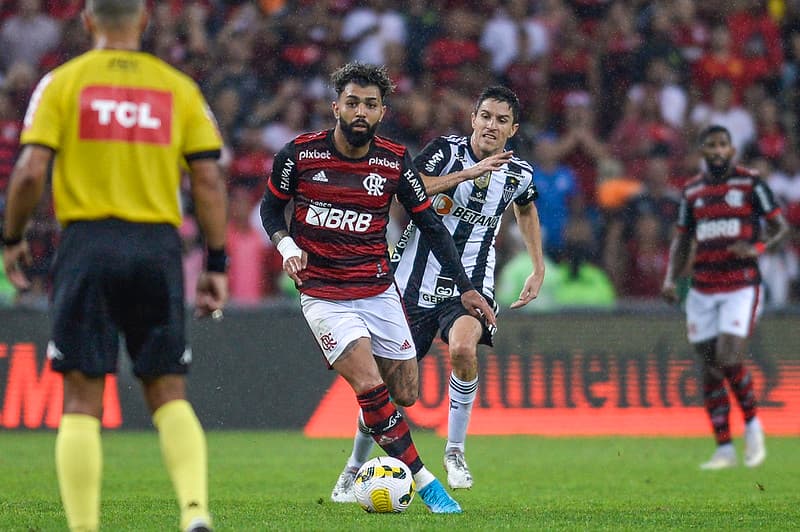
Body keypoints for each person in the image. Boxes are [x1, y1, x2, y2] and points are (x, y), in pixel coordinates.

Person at [1, 2, 228, 531]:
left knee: (82, 398)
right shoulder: (178, 88)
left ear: (87, 21)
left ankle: (84, 528)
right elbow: (209, 179)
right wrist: (216, 261)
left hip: (87, 244)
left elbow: (30, 171)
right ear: (144, 21)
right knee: (168, 391)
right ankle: (195, 512)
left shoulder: (62, 83)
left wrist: (11, 237)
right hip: (157, 246)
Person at [260, 62, 496, 514]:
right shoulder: (299, 155)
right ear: (336, 107)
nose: (360, 112)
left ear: (382, 112)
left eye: (370, 104)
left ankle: (356, 465)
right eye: (352, 103)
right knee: (369, 385)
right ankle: (427, 485)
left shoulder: (394, 161)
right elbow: (271, 210)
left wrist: (466, 288)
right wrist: (286, 244)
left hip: (377, 290)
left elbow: (430, 225)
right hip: (324, 294)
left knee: (403, 392)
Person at [330, 85, 546, 497]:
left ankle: (455, 451)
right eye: (486, 116)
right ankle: (353, 466)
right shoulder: (445, 152)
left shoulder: (519, 173)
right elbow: (409, 187)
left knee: (463, 349)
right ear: (473, 119)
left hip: (470, 286)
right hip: (411, 285)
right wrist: (467, 175)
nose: (491, 125)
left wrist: (537, 267)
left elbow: (526, 208)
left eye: (501, 120)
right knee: (390, 390)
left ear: (513, 129)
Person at [661, 124, 788, 470]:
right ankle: (724, 449)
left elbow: (780, 228)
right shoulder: (693, 192)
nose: (717, 150)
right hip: (702, 288)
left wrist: (757, 247)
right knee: (710, 370)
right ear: (703, 152)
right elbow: (683, 240)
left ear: (731, 150)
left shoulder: (750, 184)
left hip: (740, 285)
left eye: (722, 145)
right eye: (711, 145)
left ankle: (753, 425)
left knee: (729, 357)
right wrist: (671, 279)